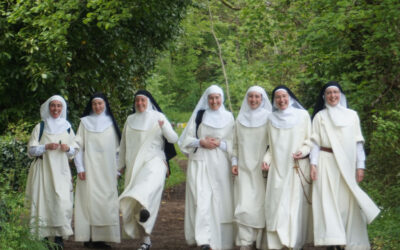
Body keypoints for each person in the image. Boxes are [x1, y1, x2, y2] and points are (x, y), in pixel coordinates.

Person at [310, 81, 380, 250]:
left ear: (340, 95)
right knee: (327, 200)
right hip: (326, 162)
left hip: (347, 163)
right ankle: (331, 241)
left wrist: (360, 166)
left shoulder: (352, 115)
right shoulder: (320, 117)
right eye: (329, 93)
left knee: (346, 202)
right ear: (324, 97)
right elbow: (314, 143)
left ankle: (348, 240)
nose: (332, 96)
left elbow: (358, 143)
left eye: (335, 92)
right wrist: (313, 164)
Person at [118, 90, 178, 250]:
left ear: (149, 101)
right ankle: (146, 241)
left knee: (147, 186)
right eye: (137, 101)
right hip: (134, 165)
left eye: (142, 100)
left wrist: (164, 126)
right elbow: (123, 145)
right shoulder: (130, 120)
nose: (139, 103)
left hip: (155, 160)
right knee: (139, 204)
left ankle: (144, 208)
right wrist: (119, 168)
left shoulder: (158, 117)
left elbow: (173, 139)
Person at [178, 85, 235, 250]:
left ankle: (222, 240)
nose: (214, 101)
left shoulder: (229, 117)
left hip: (221, 165)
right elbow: (185, 140)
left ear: (222, 98)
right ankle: (204, 240)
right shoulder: (199, 116)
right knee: (202, 199)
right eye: (211, 98)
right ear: (206, 99)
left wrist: (221, 144)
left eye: (217, 98)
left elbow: (233, 142)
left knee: (221, 200)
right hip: (200, 162)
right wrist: (201, 142)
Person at [262, 86, 313, 249]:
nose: (281, 100)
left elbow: (310, 141)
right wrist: (266, 160)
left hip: (297, 167)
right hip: (278, 169)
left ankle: (294, 243)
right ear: (274, 100)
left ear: (290, 97)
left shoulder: (303, 115)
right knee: (276, 206)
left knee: (294, 207)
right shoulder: (271, 118)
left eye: (284, 96)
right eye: (278, 97)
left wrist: (303, 151)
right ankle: (276, 244)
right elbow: (270, 146)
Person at [25, 95, 78, 249]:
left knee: (62, 203)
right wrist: (46, 147)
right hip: (43, 171)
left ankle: (59, 237)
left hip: (61, 171)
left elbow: (74, 151)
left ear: (63, 108)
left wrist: (68, 148)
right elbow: (31, 150)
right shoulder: (40, 127)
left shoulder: (67, 127)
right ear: (48, 108)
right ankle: (44, 238)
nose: (56, 109)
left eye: (59, 106)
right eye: (53, 106)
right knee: (44, 203)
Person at [73, 93, 121, 248]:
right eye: (94, 104)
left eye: (100, 104)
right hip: (89, 169)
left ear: (105, 105)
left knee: (105, 203)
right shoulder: (84, 123)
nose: (97, 107)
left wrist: (118, 170)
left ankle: (102, 238)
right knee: (88, 203)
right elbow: (78, 147)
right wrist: (80, 167)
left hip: (107, 171)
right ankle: (88, 238)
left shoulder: (111, 124)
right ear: (91, 106)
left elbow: (118, 151)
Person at [231, 86, 272, 250]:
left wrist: (267, 160)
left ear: (262, 99)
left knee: (260, 206)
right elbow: (234, 145)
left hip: (261, 170)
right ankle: (245, 241)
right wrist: (234, 162)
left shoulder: (269, 119)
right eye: (251, 96)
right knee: (244, 206)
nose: (253, 100)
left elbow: (272, 145)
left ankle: (260, 241)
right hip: (243, 169)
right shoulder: (240, 119)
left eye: (257, 97)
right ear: (247, 99)